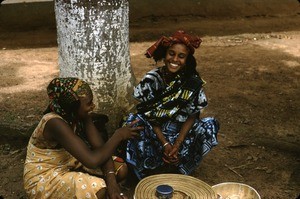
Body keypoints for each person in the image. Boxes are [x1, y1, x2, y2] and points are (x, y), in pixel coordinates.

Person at [121, 30, 220, 180]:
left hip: (180, 131)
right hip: (156, 130)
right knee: (133, 123)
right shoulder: (152, 80)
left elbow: (192, 115)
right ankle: (147, 171)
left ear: (187, 59)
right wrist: (165, 143)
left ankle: (179, 167)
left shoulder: (192, 82)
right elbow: (148, 114)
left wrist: (177, 144)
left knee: (208, 126)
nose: (174, 59)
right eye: (171, 54)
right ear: (165, 54)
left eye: (181, 56)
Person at [23, 77, 142, 199]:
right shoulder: (54, 123)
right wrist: (119, 135)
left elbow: (100, 148)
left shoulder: (79, 114)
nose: (93, 106)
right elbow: (92, 160)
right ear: (73, 107)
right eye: (89, 103)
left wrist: (112, 184)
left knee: (120, 169)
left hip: (70, 164)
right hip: (45, 178)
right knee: (98, 188)